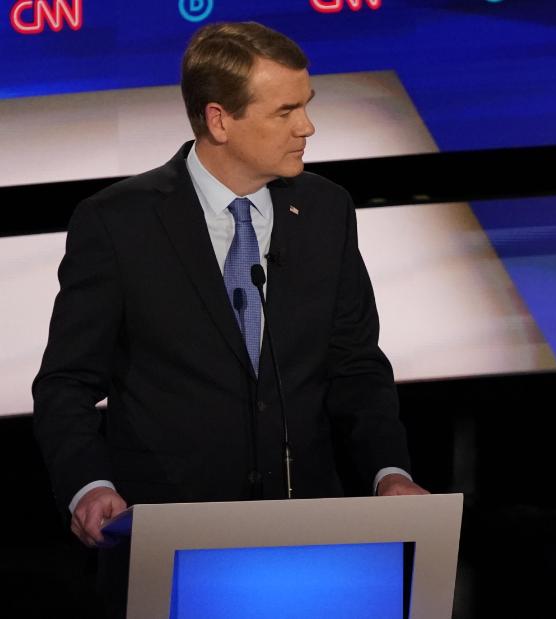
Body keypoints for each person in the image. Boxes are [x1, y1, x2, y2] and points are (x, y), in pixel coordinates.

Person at [32, 21, 426, 613]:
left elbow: (356, 366)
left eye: (307, 106)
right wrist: (92, 486)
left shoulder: (325, 209)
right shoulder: (119, 223)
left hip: (313, 542)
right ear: (219, 120)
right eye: (285, 111)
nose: (307, 127)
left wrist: (387, 472)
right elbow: (66, 383)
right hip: (170, 543)